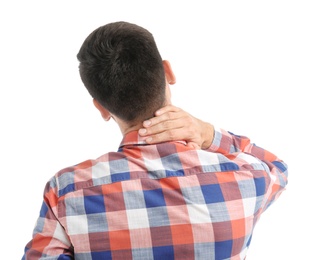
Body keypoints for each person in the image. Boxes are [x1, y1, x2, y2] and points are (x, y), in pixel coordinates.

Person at [22, 21, 288, 260]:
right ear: (168, 72)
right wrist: (206, 133)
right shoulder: (246, 178)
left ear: (101, 108)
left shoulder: (67, 191)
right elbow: (278, 168)